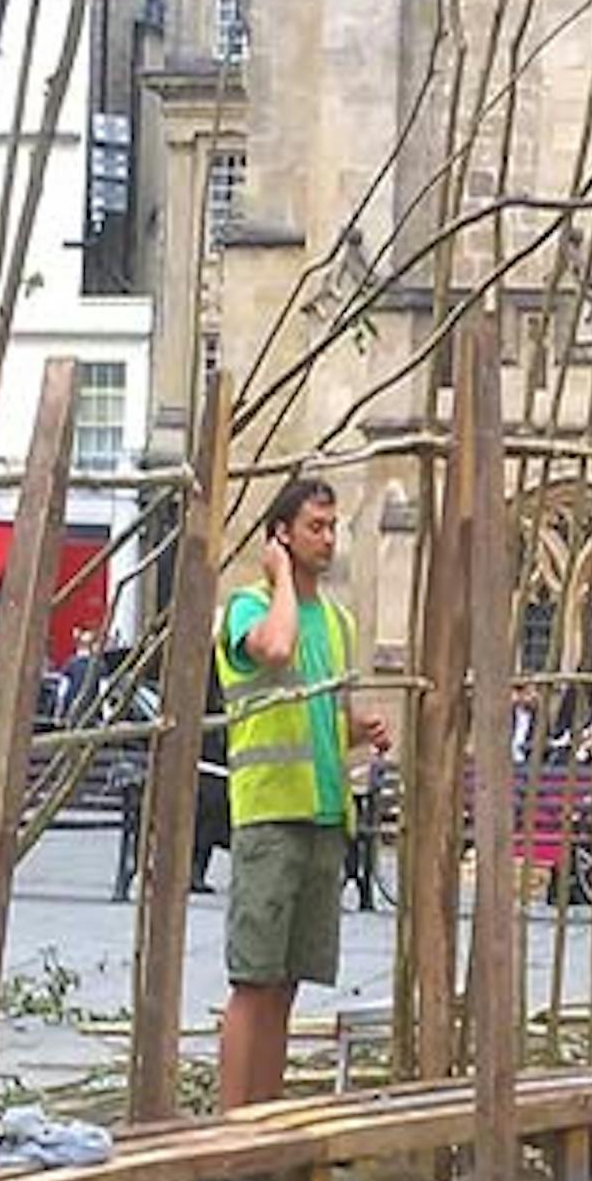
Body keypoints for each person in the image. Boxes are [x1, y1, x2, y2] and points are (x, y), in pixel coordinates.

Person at [214, 476, 388, 1113]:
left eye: (333, 526)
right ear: (281, 535)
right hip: (270, 813)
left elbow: (325, 717)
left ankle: (266, 1115)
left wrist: (358, 729)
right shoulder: (247, 607)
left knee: (286, 984)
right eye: (314, 527)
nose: (329, 539)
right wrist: (282, 579)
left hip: (322, 813)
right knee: (253, 981)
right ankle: (233, 1126)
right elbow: (276, 649)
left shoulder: (337, 622)